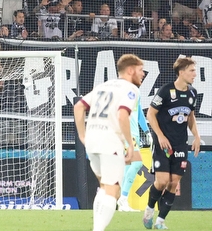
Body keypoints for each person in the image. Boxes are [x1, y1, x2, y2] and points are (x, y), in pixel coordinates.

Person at [73, 53, 145, 231]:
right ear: (130, 70)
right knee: (112, 190)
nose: (143, 74)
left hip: (93, 140)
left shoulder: (103, 86)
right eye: (141, 70)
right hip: (110, 140)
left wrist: (83, 135)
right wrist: (129, 143)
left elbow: (78, 106)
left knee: (105, 187)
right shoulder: (130, 89)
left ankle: (97, 227)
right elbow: (122, 115)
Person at [143, 57, 203, 229]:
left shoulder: (192, 93)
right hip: (163, 144)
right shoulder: (165, 91)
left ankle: (160, 221)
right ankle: (148, 210)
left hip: (180, 144)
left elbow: (190, 116)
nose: (194, 74)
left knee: (173, 182)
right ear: (181, 72)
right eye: (192, 71)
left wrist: (196, 136)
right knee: (161, 181)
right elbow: (150, 114)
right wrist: (160, 136)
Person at [117, 92, 149, 211]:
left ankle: (122, 203)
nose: (142, 73)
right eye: (139, 71)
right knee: (137, 163)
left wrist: (146, 131)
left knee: (128, 166)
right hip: (127, 134)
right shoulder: (122, 90)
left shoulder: (137, 92)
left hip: (134, 134)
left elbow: (139, 113)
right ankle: (123, 198)